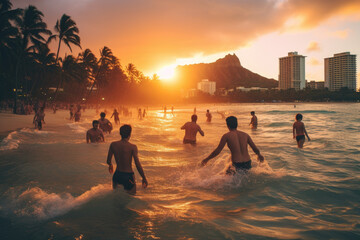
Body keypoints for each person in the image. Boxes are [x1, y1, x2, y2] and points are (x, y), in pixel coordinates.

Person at [106, 125, 148, 194]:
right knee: (131, 198)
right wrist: (144, 178)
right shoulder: (132, 147)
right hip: (128, 176)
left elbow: (108, 161)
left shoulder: (113, 144)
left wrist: (110, 165)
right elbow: (137, 164)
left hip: (117, 175)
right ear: (130, 134)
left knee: (116, 198)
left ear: (120, 133)